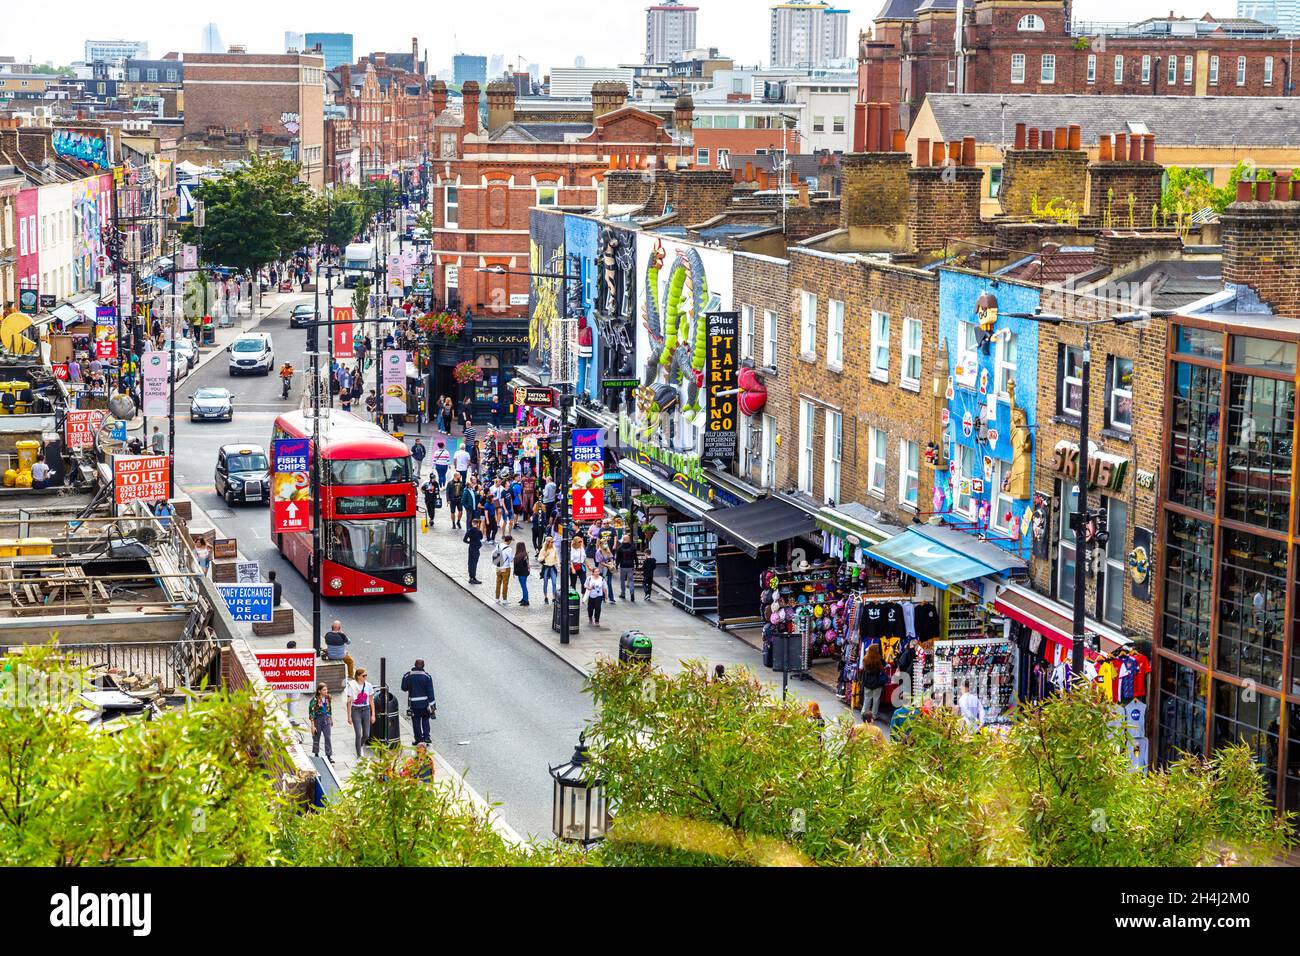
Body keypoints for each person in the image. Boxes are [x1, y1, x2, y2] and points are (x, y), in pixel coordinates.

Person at [400, 659, 436, 745]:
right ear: (423, 666)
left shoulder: (407, 676)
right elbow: (430, 692)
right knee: (425, 719)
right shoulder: (427, 677)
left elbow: (404, 688)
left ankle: (418, 739)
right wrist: (433, 707)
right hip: (424, 703)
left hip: (413, 703)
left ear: (414, 665)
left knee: (416, 721)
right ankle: (426, 737)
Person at [345, 668, 376, 758]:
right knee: (358, 734)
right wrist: (349, 716)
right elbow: (349, 702)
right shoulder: (352, 686)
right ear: (358, 676)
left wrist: (373, 714)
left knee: (366, 734)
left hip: (366, 710)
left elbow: (371, 701)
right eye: (363, 675)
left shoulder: (369, 685)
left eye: (366, 675)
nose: (365, 677)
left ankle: (360, 745)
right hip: (356, 710)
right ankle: (359, 754)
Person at [859, 644, 886, 723]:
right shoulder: (879, 659)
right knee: (876, 700)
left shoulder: (865, 659)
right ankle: (873, 715)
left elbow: (864, 670)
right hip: (877, 682)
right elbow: (883, 666)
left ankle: (863, 713)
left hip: (867, 682)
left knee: (867, 699)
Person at [308, 683, 333, 762]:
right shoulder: (314, 700)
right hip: (317, 719)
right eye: (324, 690)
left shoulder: (327, 698)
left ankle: (328, 755)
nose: (326, 691)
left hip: (326, 719)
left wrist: (331, 718)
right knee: (316, 737)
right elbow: (311, 712)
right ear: (319, 691)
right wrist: (313, 725)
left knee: (328, 737)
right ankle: (316, 754)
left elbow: (329, 708)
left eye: (326, 689)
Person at [615, 533, 638, 603]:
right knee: (631, 580)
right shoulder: (632, 547)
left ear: (623, 540)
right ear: (628, 540)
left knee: (622, 581)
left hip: (623, 566)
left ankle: (623, 594)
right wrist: (636, 564)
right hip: (630, 566)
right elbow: (635, 557)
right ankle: (632, 592)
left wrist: (616, 565)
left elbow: (618, 558)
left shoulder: (620, 548)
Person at [492, 533, 514, 605]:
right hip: (505, 568)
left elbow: (494, 554)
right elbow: (511, 559)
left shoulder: (498, 545)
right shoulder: (509, 549)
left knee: (498, 583)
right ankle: (504, 599)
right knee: (505, 584)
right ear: (509, 541)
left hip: (498, 567)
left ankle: (497, 598)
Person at [583, 561, 606, 626]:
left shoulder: (601, 579)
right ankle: (590, 617)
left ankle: (597, 620)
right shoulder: (589, 578)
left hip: (599, 595)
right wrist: (589, 587)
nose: (597, 573)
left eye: (598, 572)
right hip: (591, 595)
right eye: (596, 572)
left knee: (598, 608)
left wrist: (606, 596)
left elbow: (604, 588)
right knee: (590, 608)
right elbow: (585, 585)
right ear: (593, 573)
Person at [595, 539, 617, 606]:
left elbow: (611, 557)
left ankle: (611, 598)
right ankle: (602, 597)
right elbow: (600, 562)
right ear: (601, 544)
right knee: (602, 584)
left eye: (606, 543)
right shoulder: (598, 552)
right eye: (604, 543)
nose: (606, 544)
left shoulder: (608, 549)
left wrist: (612, 564)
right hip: (602, 570)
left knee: (609, 583)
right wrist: (608, 565)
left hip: (609, 570)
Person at [538, 536, 559, 603]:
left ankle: (554, 597)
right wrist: (545, 556)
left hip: (552, 567)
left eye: (552, 542)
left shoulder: (554, 549)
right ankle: (545, 597)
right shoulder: (543, 550)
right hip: (546, 567)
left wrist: (559, 566)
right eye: (551, 542)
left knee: (554, 583)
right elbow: (539, 559)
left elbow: (557, 558)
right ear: (548, 542)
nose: (552, 543)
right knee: (545, 583)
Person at [463, 518, 484, 584]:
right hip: (476, 548)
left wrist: (470, 542)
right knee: (474, 563)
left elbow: (464, 540)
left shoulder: (469, 530)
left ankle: (471, 577)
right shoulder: (478, 531)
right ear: (478, 524)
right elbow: (481, 538)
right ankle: (473, 578)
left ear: (472, 523)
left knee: (470, 562)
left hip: (471, 547)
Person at [513, 540, 531, 607]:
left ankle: (526, 600)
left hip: (521, 573)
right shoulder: (525, 554)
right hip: (525, 573)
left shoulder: (519, 556)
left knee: (524, 587)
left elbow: (519, 566)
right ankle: (524, 598)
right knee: (523, 586)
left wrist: (515, 572)